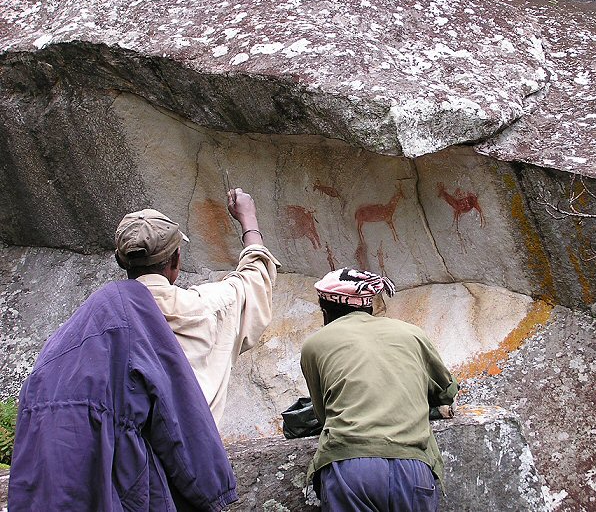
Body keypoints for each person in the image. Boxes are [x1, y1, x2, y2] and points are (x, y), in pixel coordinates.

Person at [9, 269, 238, 510]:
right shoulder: (134, 313)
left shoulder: (58, 344)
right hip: (117, 482)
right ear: (175, 262)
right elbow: (178, 412)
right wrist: (215, 488)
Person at [114, 187, 281, 424]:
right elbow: (254, 278)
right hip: (195, 444)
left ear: (121, 261)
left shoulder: (102, 316)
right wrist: (248, 219)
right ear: (176, 259)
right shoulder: (206, 306)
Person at [300, 267, 459, 511]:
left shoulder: (314, 345)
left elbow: (323, 414)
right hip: (412, 465)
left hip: (349, 467)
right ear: (369, 306)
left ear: (325, 311)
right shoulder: (412, 334)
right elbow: (446, 392)